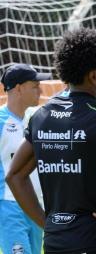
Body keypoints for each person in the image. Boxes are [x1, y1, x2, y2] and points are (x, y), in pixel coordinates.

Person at [6, 28, 96, 254]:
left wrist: (47, 224)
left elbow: (14, 175)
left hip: (57, 242)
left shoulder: (41, 116)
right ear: (93, 76)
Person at [0, 63, 51, 254]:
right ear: (19, 88)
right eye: (35, 85)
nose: (40, 90)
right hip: (9, 207)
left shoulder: (36, 119)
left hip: (35, 206)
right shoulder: (1, 121)